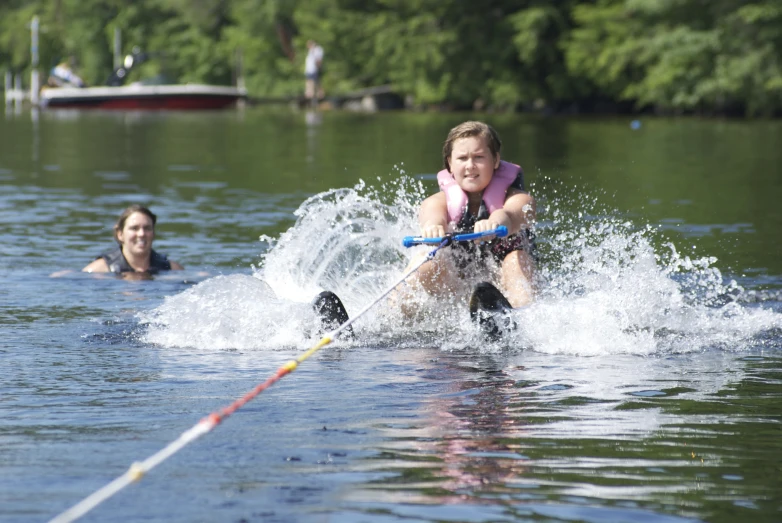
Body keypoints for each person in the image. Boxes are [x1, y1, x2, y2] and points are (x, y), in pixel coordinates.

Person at [403, 121, 537, 318]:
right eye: (462, 158)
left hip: (505, 285)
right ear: (449, 163)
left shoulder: (519, 198)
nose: (470, 165)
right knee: (424, 263)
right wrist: (433, 227)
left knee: (515, 260)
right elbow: (432, 216)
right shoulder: (438, 202)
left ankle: (522, 320)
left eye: (479, 157)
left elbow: (512, 215)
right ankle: (389, 320)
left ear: (496, 160)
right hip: (457, 287)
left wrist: (496, 222)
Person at [82, 205, 184, 275]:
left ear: (153, 233)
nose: (141, 234)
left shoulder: (172, 270)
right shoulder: (97, 271)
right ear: (120, 234)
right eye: (134, 228)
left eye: (147, 228)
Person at [304, 40, 324, 105]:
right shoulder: (310, 51)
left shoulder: (317, 50)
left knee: (315, 83)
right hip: (309, 70)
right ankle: (309, 95)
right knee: (310, 82)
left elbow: (318, 60)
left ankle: (317, 96)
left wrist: (319, 68)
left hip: (314, 69)